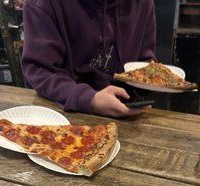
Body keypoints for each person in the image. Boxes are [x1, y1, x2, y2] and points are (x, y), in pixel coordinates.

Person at [22, 0, 156, 117]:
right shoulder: (44, 4)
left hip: (131, 112)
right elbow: (41, 70)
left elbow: (143, 59)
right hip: (68, 115)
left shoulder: (142, 3)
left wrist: (150, 80)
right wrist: (90, 99)